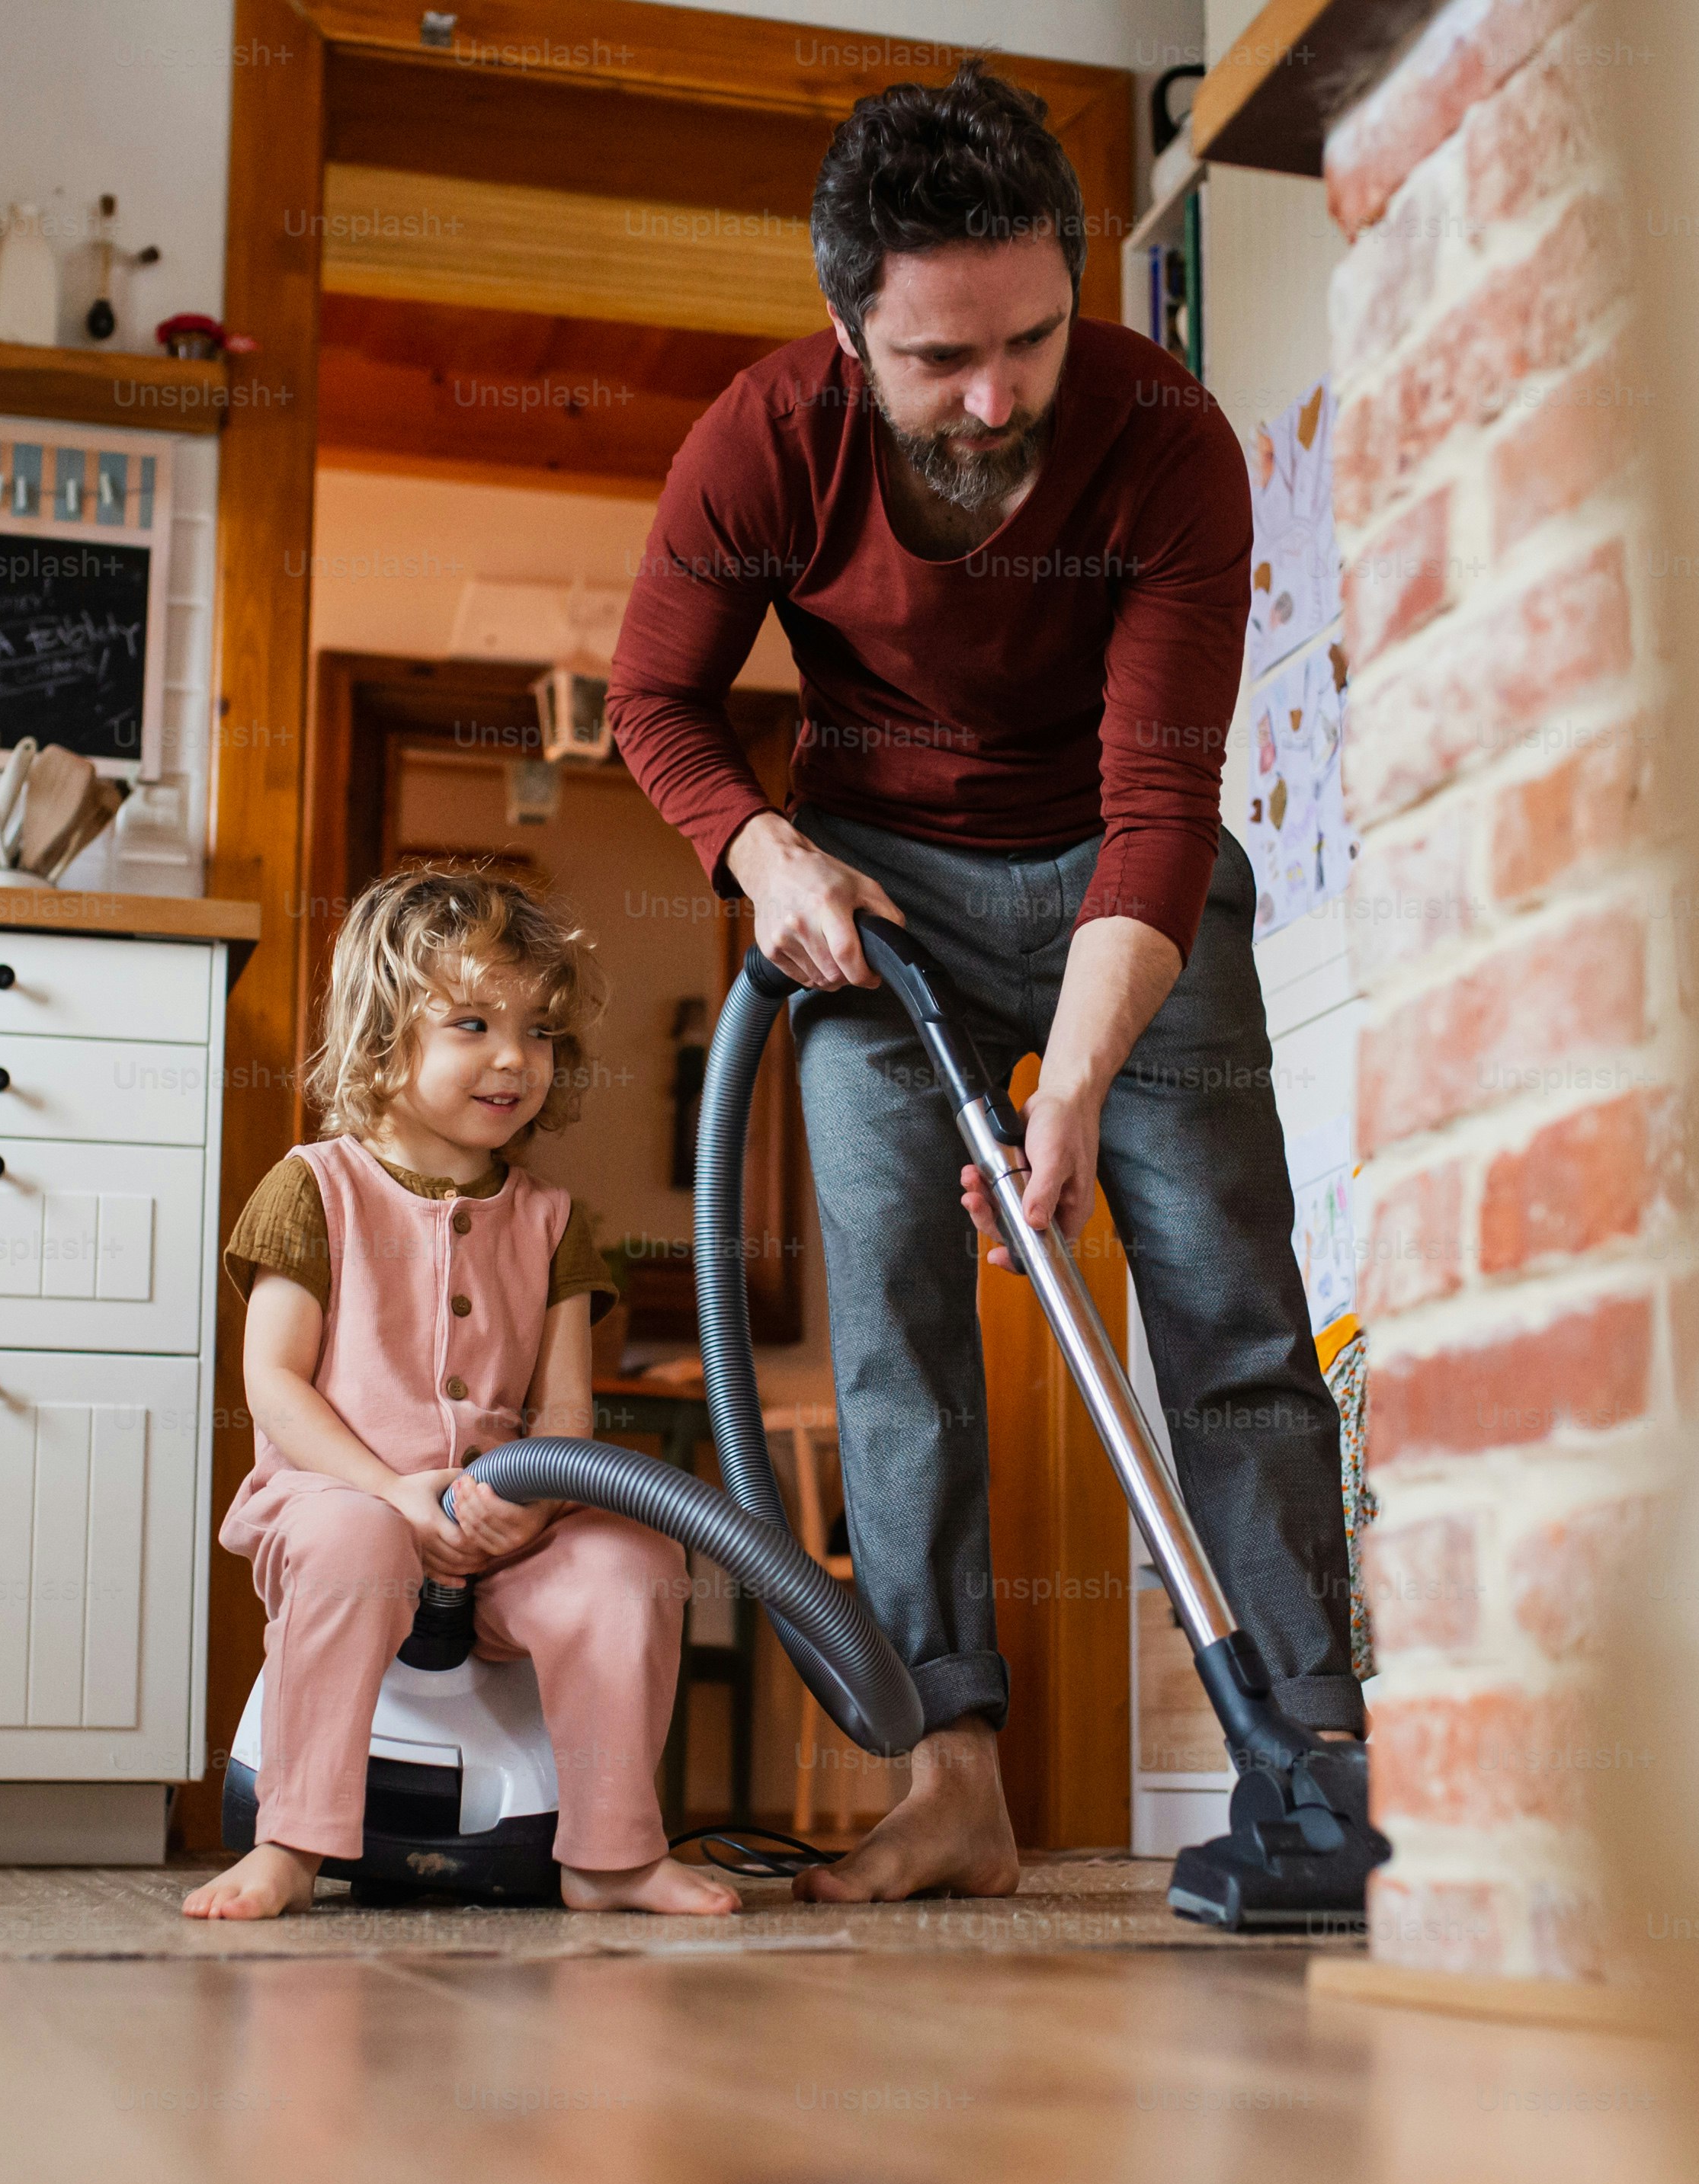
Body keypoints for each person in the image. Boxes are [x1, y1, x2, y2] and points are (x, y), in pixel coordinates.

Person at [607, 61, 1358, 1905]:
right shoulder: (765, 441)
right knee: (898, 1330)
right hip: (881, 894)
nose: (994, 396)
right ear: (846, 323)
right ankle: (953, 1777)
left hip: (1127, 882)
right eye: (941, 359)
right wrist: (761, 854)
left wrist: (1074, 1093)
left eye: (1028, 340)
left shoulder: (1165, 438)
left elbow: (1159, 796)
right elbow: (657, 702)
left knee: (1228, 1300)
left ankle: (1321, 1755)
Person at [184, 869, 735, 1922]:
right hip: (343, 1501)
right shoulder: (315, 1187)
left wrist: (529, 1503)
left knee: (638, 1557)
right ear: (384, 1037)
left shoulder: (552, 1219)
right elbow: (273, 1383)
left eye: (538, 1031)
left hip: (508, 1525)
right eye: (474, 1022)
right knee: (356, 1545)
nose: (515, 1058)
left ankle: (611, 1852)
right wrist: (392, 1491)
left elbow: (567, 1417)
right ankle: (292, 1844)